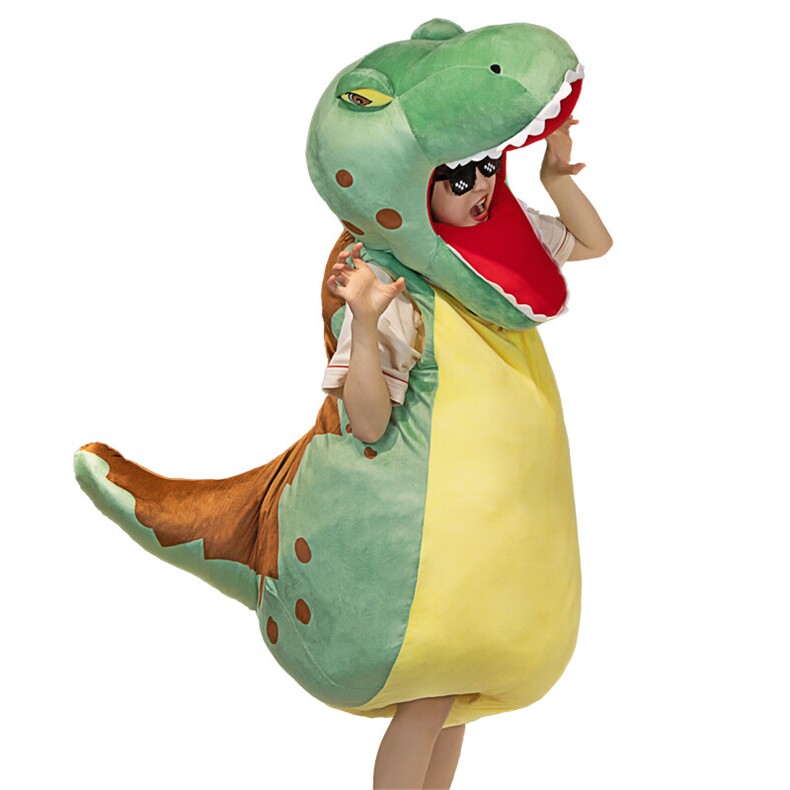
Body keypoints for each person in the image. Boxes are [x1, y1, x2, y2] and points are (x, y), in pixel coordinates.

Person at [324, 116, 612, 789]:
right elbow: (367, 420)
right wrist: (364, 319)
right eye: (458, 178)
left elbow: (593, 243)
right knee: (432, 692)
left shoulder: (502, 236)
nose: (480, 186)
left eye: (486, 166)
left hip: (499, 517)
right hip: (436, 520)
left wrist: (554, 178)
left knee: (453, 701)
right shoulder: (392, 279)